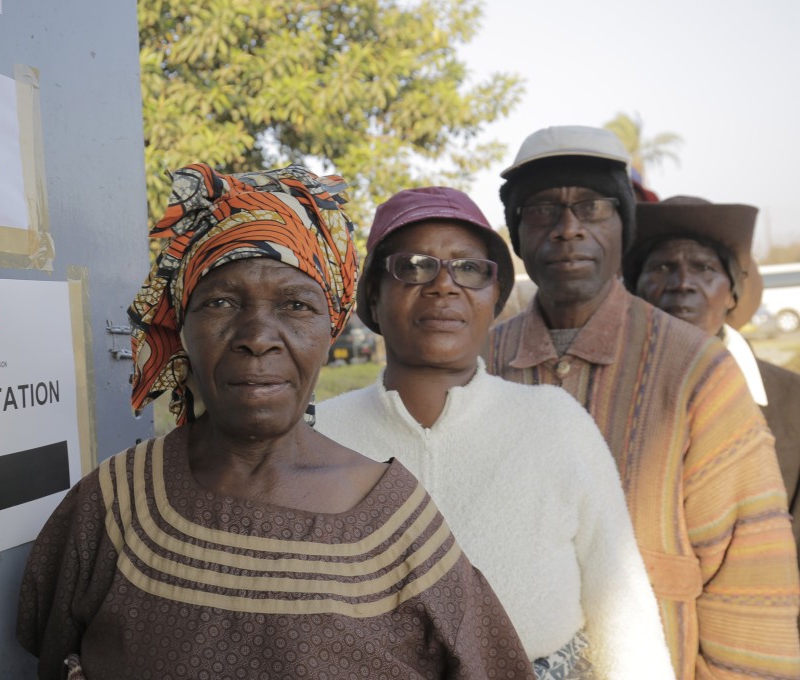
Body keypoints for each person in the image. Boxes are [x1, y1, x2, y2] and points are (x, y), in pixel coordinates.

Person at [16, 163, 533, 680]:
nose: (258, 336)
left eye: (294, 305)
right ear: (181, 328)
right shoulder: (118, 501)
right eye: (220, 302)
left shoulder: (395, 523)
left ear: (330, 333)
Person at [316, 186, 675, 679]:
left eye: (469, 269)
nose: (444, 285)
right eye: (414, 266)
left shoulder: (554, 422)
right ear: (373, 298)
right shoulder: (319, 434)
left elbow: (622, 605)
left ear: (494, 298)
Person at [486, 125, 800, 680]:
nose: (567, 229)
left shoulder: (696, 371)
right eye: (540, 210)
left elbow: (750, 583)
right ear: (514, 232)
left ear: (623, 228)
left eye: (591, 207)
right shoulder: (480, 363)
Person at [625, 195, 800, 584]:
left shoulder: (792, 401)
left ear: (733, 293)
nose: (683, 283)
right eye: (663, 267)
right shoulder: (607, 394)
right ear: (635, 291)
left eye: (704, 268)